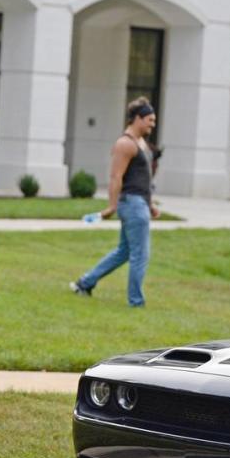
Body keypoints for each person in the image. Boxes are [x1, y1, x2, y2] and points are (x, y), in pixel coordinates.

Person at [71, 96, 160, 307]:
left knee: (125, 252)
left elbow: (141, 178)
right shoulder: (124, 144)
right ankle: (136, 301)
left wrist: (150, 204)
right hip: (132, 204)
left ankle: (85, 283)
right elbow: (115, 177)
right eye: (150, 120)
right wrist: (112, 206)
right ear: (138, 119)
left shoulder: (141, 143)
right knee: (140, 255)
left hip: (140, 203)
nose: (152, 125)